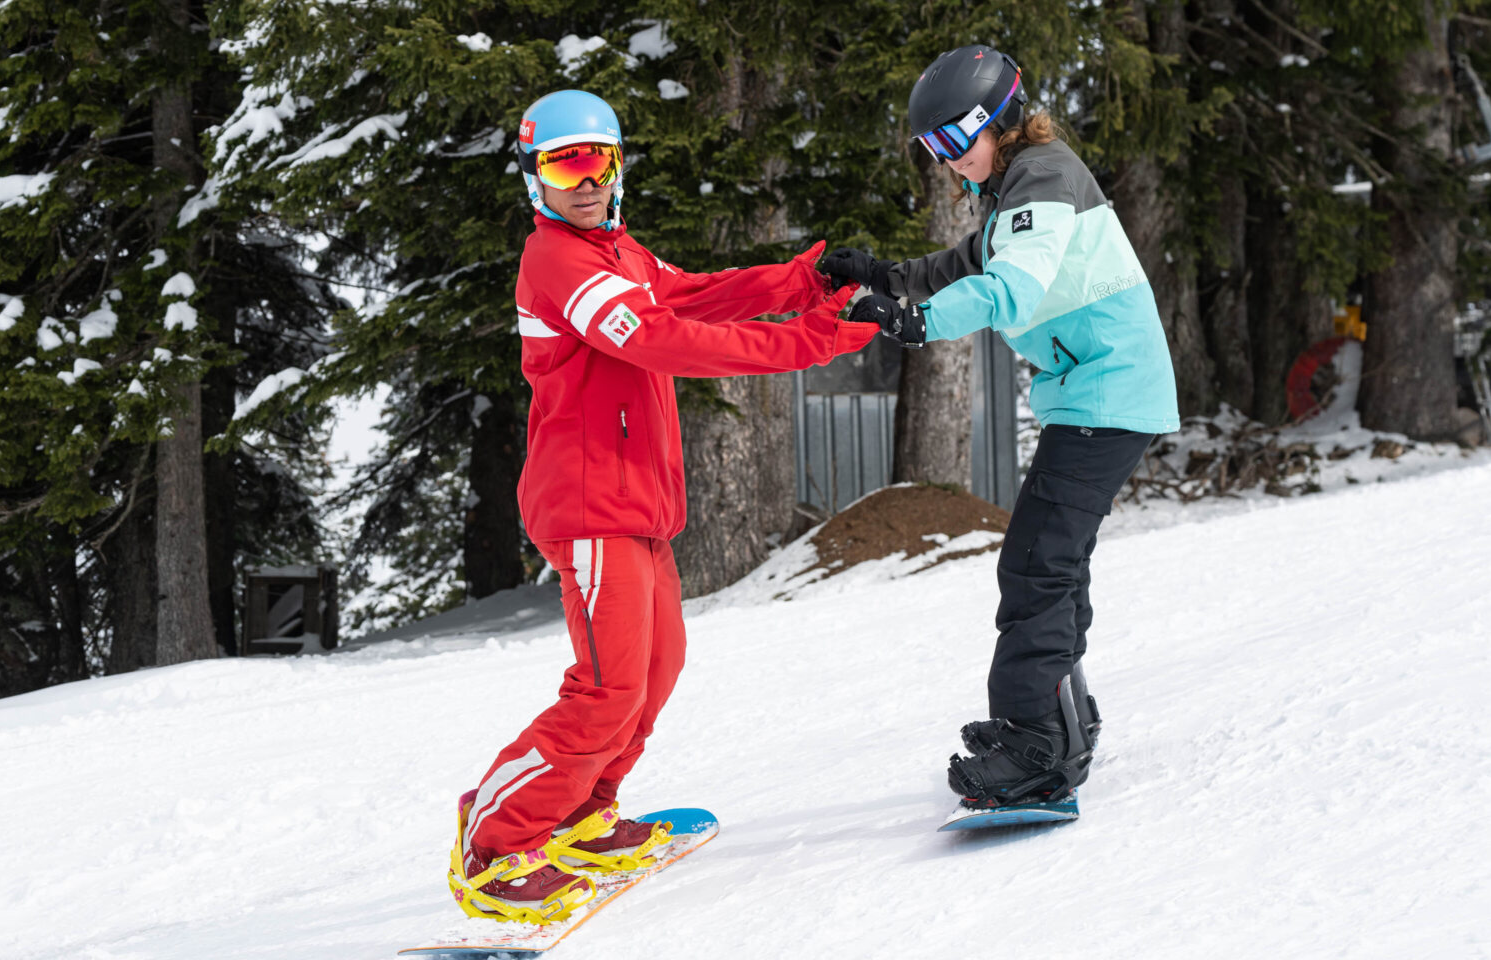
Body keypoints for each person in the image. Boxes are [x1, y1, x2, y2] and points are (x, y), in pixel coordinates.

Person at [448, 89, 875, 924]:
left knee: (652, 675)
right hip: (589, 503)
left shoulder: (620, 253)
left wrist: (803, 279)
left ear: (616, 164)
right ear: (534, 177)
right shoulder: (558, 262)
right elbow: (660, 340)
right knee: (606, 687)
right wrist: (809, 337)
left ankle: (582, 813)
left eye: (596, 159)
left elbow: (694, 297)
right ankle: (496, 842)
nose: (583, 180)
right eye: (562, 163)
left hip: (638, 504)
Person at [820, 45, 1180, 811]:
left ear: (1000, 122)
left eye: (955, 142)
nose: (949, 163)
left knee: (1035, 565)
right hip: (1097, 391)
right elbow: (965, 263)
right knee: (1051, 561)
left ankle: (1036, 746)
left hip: (1107, 390)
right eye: (933, 150)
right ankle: (1060, 718)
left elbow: (1007, 289)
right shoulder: (1019, 187)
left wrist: (913, 322)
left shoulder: (1043, 179)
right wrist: (883, 278)